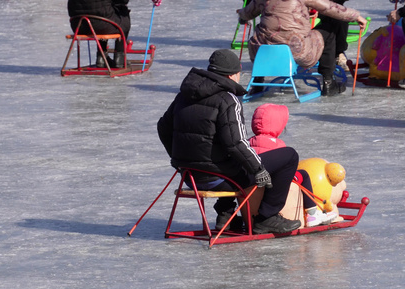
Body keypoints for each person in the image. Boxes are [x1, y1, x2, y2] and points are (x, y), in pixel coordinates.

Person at [157, 49, 302, 234]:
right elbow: (237, 143)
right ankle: (267, 218)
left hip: (190, 176)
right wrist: (259, 169)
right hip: (220, 178)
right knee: (289, 156)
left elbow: (163, 127)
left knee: (228, 158)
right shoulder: (228, 100)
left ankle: (225, 212)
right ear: (233, 74)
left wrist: (179, 159)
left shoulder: (183, 96)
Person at [237, 0, 368, 97]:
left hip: (263, 52)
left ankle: (258, 81)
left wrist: (241, 17)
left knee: (264, 33)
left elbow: (246, 13)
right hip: (297, 49)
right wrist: (356, 16)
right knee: (328, 33)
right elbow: (330, 8)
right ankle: (329, 82)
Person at [248, 103, 337, 227]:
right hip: (272, 181)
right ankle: (312, 214)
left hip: (251, 180)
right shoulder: (277, 145)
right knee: (303, 175)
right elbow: (283, 170)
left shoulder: (249, 142)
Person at [67, 0, 159, 68]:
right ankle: (119, 58)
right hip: (100, 24)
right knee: (122, 14)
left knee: (102, 13)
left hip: (78, 25)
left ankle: (101, 57)